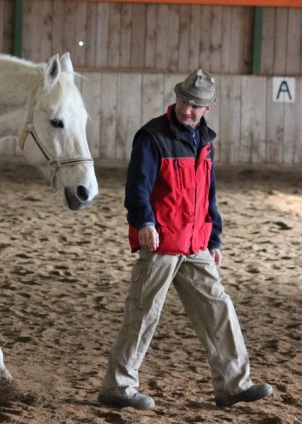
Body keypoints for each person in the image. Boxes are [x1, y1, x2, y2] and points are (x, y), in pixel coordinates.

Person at [97, 69, 272, 410]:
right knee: (143, 313)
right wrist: (144, 221)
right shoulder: (152, 136)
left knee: (219, 309)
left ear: (208, 108)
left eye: (195, 105)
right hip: (160, 242)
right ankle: (118, 388)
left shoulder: (205, 142)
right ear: (176, 97)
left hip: (196, 245)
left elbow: (209, 195)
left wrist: (215, 239)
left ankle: (233, 385)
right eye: (184, 100)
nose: (187, 109)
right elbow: (137, 188)